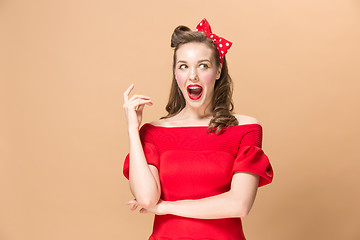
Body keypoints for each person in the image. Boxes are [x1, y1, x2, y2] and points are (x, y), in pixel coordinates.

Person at [122, 18, 274, 240]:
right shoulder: (153, 132)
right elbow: (146, 199)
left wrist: (165, 208)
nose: (192, 75)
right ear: (176, 74)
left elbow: (239, 204)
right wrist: (132, 130)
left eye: (203, 65)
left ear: (219, 71)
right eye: (183, 66)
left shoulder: (246, 128)